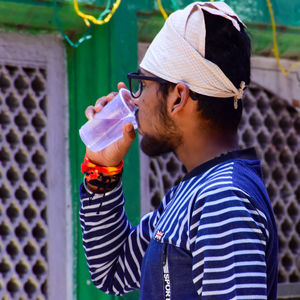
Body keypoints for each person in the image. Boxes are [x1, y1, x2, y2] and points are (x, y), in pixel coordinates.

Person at [79, 2, 278, 299]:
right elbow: (112, 270)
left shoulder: (223, 199)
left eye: (143, 85)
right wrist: (102, 170)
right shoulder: (194, 192)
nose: (134, 100)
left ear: (177, 97)